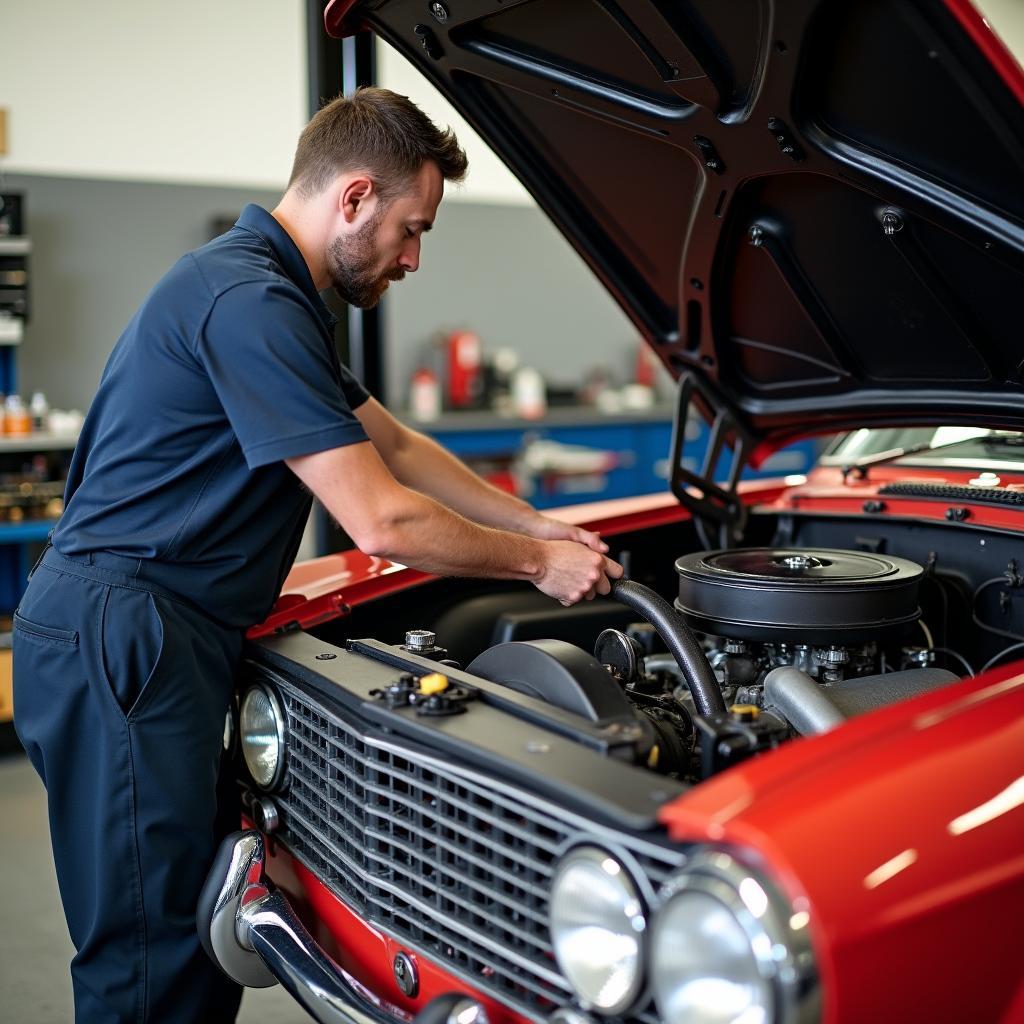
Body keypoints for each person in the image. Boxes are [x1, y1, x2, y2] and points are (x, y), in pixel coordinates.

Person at [12, 87, 622, 1023]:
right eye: (410, 228)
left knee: (193, 935)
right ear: (354, 198)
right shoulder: (248, 299)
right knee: (151, 959)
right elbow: (382, 519)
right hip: (125, 635)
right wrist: (535, 569)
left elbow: (400, 448)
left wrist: (538, 526)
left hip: (143, 633)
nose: (413, 257)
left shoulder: (273, 296)